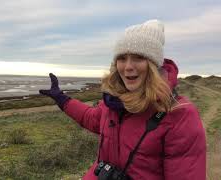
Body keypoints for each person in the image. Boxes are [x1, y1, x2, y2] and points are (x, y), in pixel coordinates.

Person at [39, 19, 206, 180]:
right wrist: (62, 99)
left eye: (138, 57)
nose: (128, 66)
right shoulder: (114, 102)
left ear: (154, 65)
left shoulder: (179, 114)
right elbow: (91, 118)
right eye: (122, 58)